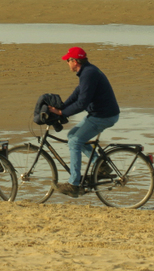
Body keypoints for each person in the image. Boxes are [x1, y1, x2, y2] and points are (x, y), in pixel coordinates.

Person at [46, 47, 120, 197]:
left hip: (103, 116)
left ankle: (73, 184)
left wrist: (61, 113)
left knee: (75, 142)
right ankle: (100, 164)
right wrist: (63, 106)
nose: (67, 63)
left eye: (68, 60)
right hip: (99, 114)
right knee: (72, 134)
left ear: (75, 61)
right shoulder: (87, 71)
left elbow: (82, 103)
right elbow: (78, 93)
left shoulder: (89, 73)